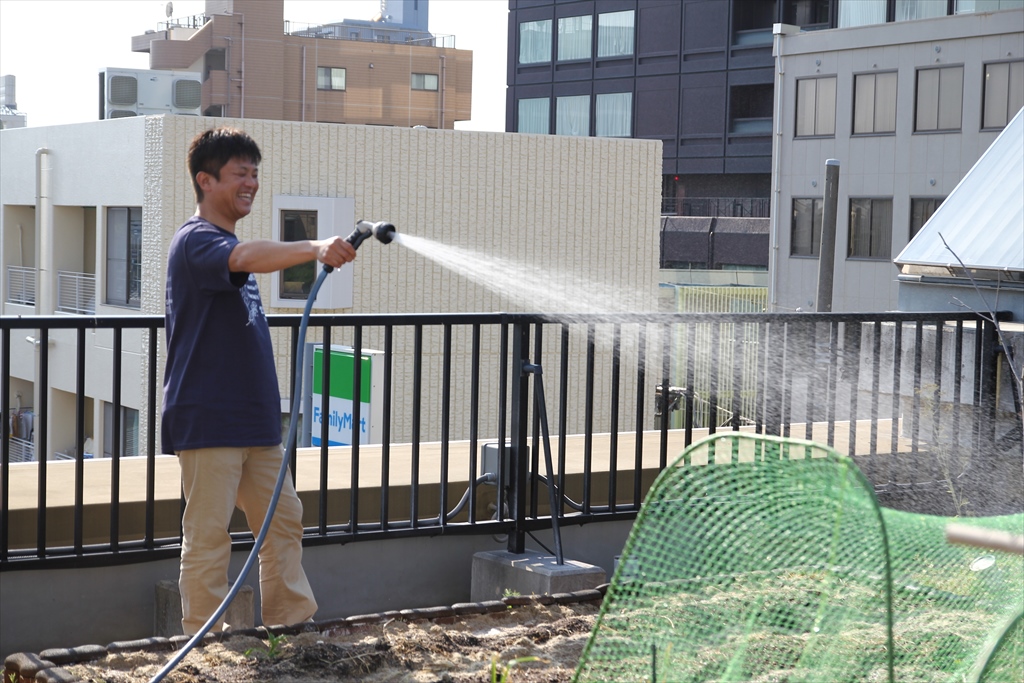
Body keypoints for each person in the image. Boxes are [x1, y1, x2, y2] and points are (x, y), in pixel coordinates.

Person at [162, 126, 356, 634]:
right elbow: (245, 258)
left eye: (254, 173)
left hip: (255, 423)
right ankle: (206, 639)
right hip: (209, 419)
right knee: (209, 535)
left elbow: (245, 257)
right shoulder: (197, 240)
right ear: (205, 181)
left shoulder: (226, 243)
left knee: (283, 521)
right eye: (239, 173)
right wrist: (315, 247)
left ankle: (291, 626)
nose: (250, 182)